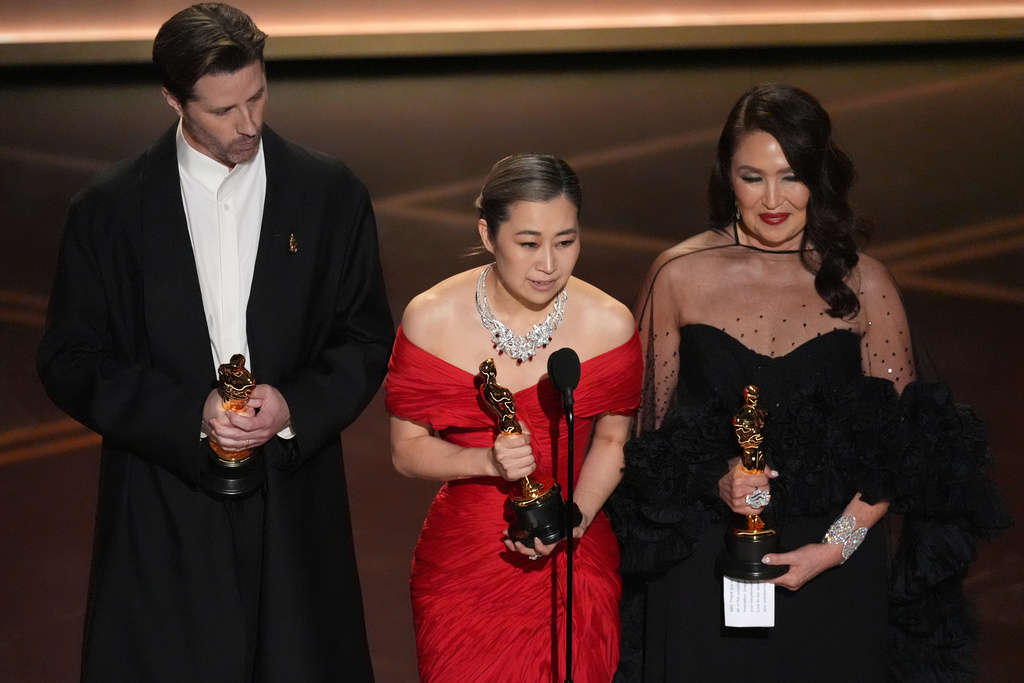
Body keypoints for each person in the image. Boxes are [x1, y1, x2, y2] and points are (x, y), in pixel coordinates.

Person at [36, 4, 393, 681]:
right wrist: (184, 414)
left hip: (295, 500)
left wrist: (293, 404)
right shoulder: (109, 211)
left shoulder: (328, 193)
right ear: (173, 97)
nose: (249, 124)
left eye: (257, 95)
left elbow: (366, 335)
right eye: (224, 109)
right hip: (163, 498)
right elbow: (70, 358)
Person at [607, 83, 1010, 682]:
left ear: (818, 177)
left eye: (790, 175)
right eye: (752, 177)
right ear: (727, 178)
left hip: (836, 566)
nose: (773, 199)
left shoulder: (866, 282)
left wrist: (836, 547)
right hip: (706, 560)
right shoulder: (677, 275)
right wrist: (715, 480)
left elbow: (906, 447)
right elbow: (645, 434)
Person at [385, 153, 643, 681]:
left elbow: (614, 442)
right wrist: (487, 460)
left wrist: (573, 521)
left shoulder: (611, 323)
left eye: (566, 241)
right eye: (528, 243)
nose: (549, 264)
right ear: (488, 234)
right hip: (466, 567)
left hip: (573, 551)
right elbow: (406, 451)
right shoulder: (430, 317)